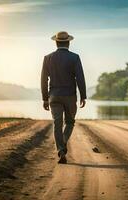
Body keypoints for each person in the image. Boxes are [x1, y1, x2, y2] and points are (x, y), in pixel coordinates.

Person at [41, 31, 86, 164]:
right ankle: (63, 143)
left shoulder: (48, 58)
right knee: (70, 122)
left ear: (56, 42)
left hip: (54, 96)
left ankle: (61, 148)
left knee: (57, 123)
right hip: (70, 96)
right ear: (69, 42)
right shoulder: (75, 58)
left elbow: (43, 80)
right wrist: (83, 95)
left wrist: (44, 98)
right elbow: (80, 78)